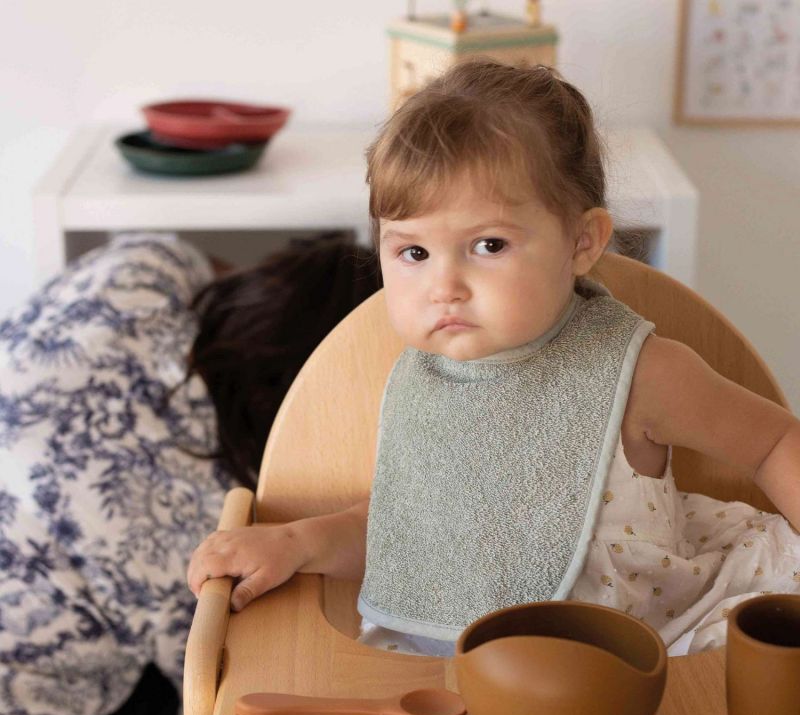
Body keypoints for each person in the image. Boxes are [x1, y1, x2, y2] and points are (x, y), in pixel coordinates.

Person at [188, 58, 800, 662]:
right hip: (458, 672)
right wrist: (296, 543)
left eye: (489, 244)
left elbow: (774, 442)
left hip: (646, 654)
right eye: (414, 252)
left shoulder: (639, 373)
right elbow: (408, 533)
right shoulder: (419, 381)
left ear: (583, 241)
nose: (443, 285)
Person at [0, 230, 380, 715]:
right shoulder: (197, 520)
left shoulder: (141, 271)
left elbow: (216, 265)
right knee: (162, 679)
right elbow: (213, 699)